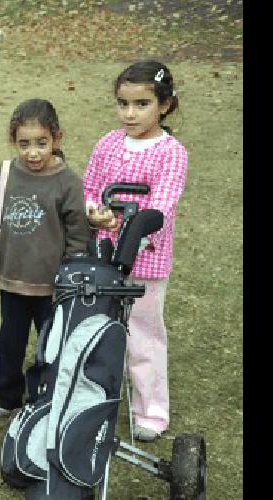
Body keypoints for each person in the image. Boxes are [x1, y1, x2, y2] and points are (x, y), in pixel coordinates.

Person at [82, 60, 188, 442]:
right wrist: (96, 214)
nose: (130, 113)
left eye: (141, 104)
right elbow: (91, 187)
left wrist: (132, 227)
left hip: (146, 260)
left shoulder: (171, 152)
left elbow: (163, 204)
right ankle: (93, 402)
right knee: (99, 328)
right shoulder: (108, 143)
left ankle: (151, 412)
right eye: (123, 103)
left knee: (143, 335)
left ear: (164, 105)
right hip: (103, 254)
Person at [0, 98, 93, 421]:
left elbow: (79, 232)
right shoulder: (6, 172)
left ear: (57, 138)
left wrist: (70, 273)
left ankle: (45, 398)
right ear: (14, 140)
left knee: (50, 346)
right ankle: (4, 396)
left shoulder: (67, 182)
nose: (33, 152)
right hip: (13, 280)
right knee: (10, 342)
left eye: (41, 143)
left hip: (52, 285)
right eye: (24, 144)